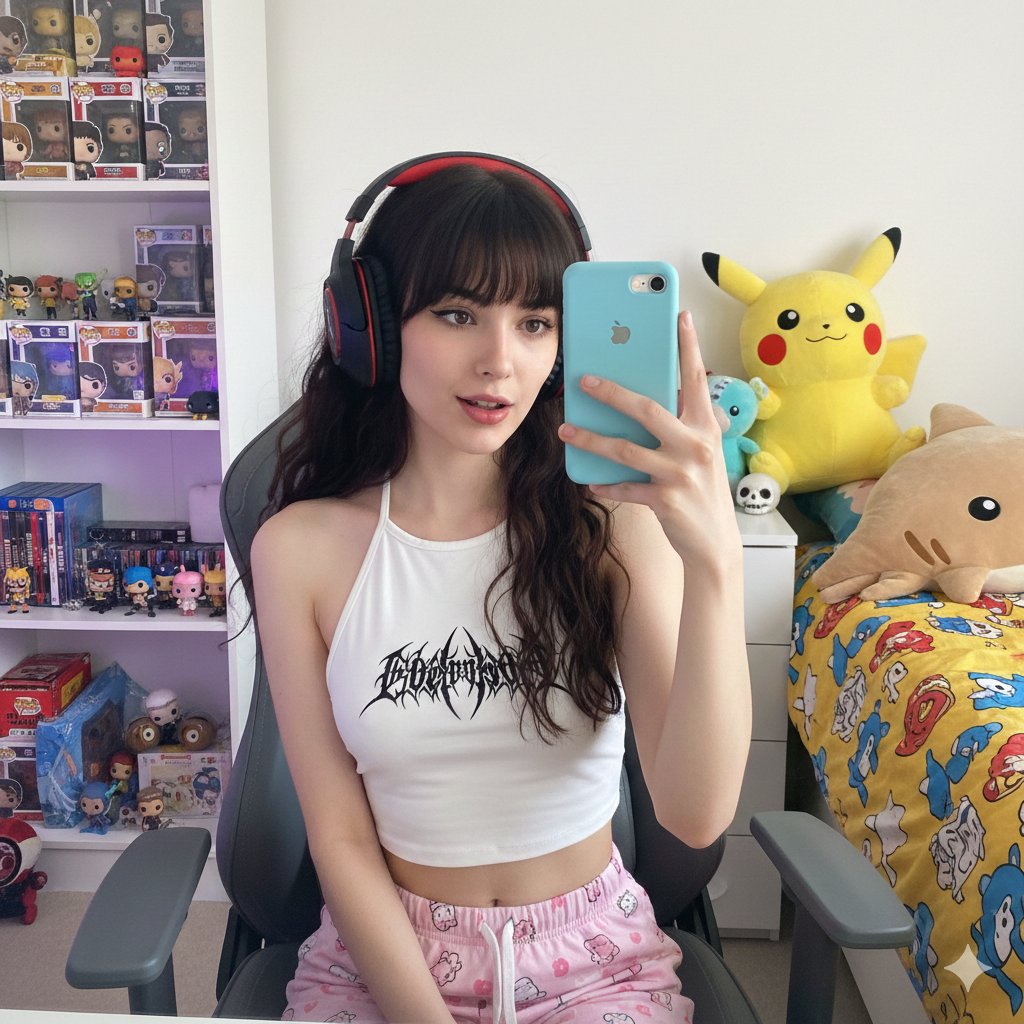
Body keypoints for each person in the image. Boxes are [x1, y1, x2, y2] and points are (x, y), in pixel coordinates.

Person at [249, 153, 751, 1024]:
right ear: (373, 325)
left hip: (594, 964)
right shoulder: (299, 551)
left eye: (535, 323)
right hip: (385, 961)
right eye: (457, 314)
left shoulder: (613, 529)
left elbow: (696, 815)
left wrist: (716, 564)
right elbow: (339, 835)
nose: (499, 361)